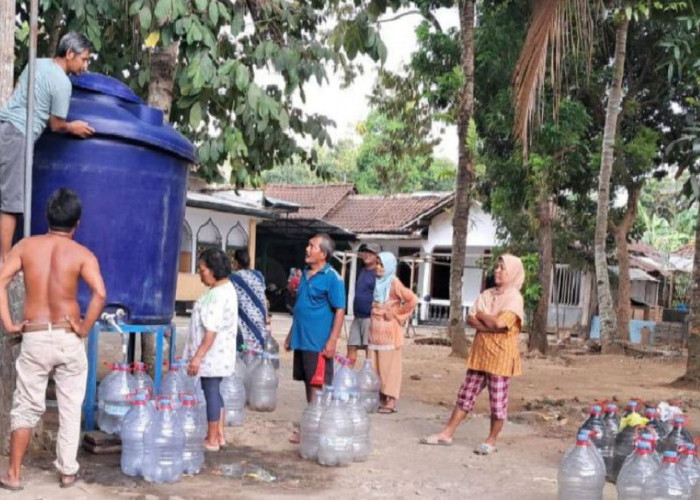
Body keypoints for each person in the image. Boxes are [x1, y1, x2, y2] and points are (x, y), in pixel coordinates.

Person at [0, 188, 106, 490]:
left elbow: (2, 280)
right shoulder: (83, 254)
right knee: (71, 406)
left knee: (25, 406)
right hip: (67, 335)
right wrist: (84, 327)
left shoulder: (25, 246)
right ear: (77, 223)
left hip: (34, 335)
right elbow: (100, 293)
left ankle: (14, 475)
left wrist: (9, 322)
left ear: (47, 216)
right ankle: (67, 471)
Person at [0, 32, 95, 263]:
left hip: (3, 125)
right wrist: (73, 127)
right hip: (19, 135)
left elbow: (19, 91)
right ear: (69, 53)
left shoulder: (37, 63)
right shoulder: (62, 83)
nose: (85, 66)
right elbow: (56, 124)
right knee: (11, 201)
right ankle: (4, 260)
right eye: (83, 59)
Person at [419, 254, 525, 455]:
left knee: (497, 401)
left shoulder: (514, 298)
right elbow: (472, 318)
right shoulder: (487, 293)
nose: (497, 271)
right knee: (466, 395)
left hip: (501, 358)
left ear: (512, 273)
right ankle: (447, 433)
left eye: (502, 268)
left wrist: (484, 318)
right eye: (497, 267)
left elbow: (500, 323)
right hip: (480, 354)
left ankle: (491, 440)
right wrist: (488, 324)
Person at [185, 248, 238, 452]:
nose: (200, 273)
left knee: (211, 392)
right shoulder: (223, 290)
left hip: (213, 354)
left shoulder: (217, 295)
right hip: (218, 353)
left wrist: (197, 358)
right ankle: (219, 434)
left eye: (203, 269)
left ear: (214, 269)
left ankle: (213, 439)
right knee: (215, 391)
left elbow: (211, 331)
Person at [284, 233, 345, 404]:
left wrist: (332, 340)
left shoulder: (332, 277)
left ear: (323, 254)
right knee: (307, 380)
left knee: (317, 383)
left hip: (318, 342)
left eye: (312, 246)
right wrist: (291, 335)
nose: (307, 249)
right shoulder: (304, 274)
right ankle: (311, 420)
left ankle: (317, 424)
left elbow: (340, 310)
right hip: (302, 339)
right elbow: (300, 308)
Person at [368, 252, 417, 414]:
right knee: (375, 365)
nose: (379, 268)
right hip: (375, 331)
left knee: (389, 367)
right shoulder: (376, 282)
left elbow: (412, 300)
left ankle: (391, 400)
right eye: (377, 264)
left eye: (382, 264)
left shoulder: (393, 282)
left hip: (389, 331)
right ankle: (380, 397)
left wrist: (396, 314)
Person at [346, 243, 380, 367]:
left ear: (377, 257)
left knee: (368, 349)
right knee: (351, 346)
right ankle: (347, 375)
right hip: (357, 316)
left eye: (370, 253)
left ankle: (369, 378)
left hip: (369, 318)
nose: (366, 255)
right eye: (365, 252)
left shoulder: (378, 273)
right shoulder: (362, 271)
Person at [230, 249, 267, 352]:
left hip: (243, 322)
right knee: (257, 352)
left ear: (236, 262)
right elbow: (263, 298)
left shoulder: (233, 277)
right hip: (259, 321)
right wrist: (267, 319)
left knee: (243, 351)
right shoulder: (259, 275)